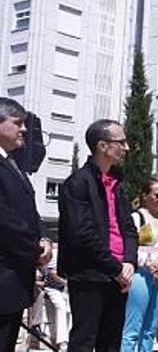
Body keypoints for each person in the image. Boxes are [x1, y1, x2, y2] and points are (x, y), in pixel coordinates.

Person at [59, 119, 139, 352]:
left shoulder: (117, 183)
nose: (126, 147)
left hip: (119, 276)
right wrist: (115, 269)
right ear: (102, 145)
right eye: (121, 142)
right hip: (90, 275)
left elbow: (128, 228)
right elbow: (81, 235)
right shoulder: (78, 183)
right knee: (84, 340)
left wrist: (129, 262)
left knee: (111, 342)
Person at [0, 98, 52, 350]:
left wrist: (45, 238)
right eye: (17, 123)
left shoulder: (13, 165)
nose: (24, 130)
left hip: (13, 281)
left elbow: (30, 212)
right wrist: (34, 249)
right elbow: (5, 219)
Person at [121, 179, 158, 352]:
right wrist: (146, 262)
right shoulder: (137, 217)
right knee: (133, 326)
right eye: (157, 195)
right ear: (145, 196)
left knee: (151, 328)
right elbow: (130, 246)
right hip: (141, 274)